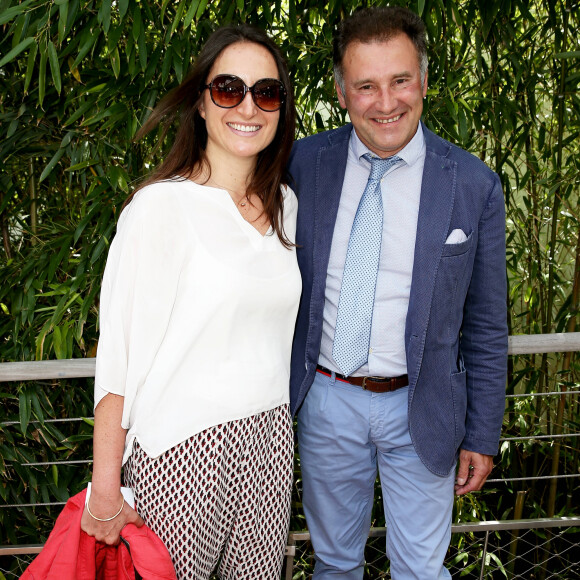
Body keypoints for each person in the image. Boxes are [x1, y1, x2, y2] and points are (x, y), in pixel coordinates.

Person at [289, 6, 507, 579]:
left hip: (425, 406)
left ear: (425, 81)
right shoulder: (301, 164)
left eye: (400, 80)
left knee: (421, 571)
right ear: (341, 92)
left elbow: (486, 325)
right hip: (326, 401)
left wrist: (483, 433)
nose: (386, 102)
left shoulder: (473, 184)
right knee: (334, 565)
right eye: (366, 85)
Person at [81, 24, 300, 580]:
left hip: (269, 447)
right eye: (229, 88)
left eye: (266, 92)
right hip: (181, 456)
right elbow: (119, 360)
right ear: (201, 102)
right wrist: (105, 490)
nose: (248, 106)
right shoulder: (160, 208)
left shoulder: (286, 207)